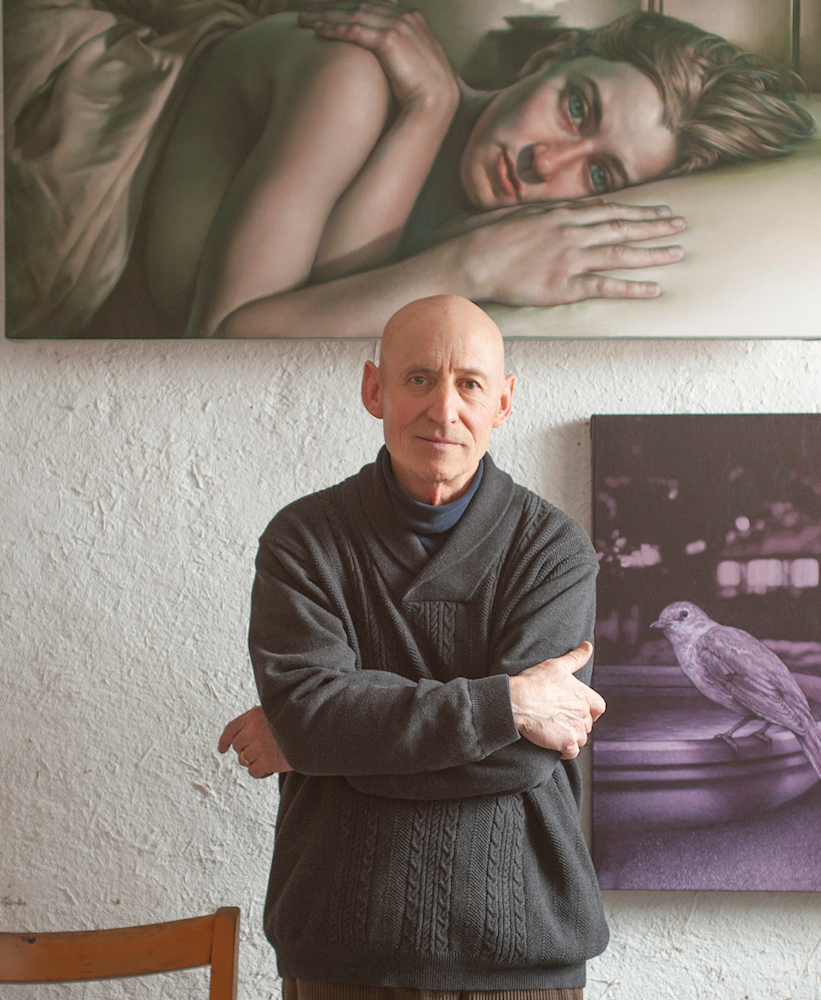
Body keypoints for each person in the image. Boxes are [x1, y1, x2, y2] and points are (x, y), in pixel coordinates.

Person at [219, 293, 610, 997]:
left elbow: (525, 758)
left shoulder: (553, 550)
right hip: (340, 950)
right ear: (375, 390)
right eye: (419, 379)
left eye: (470, 384)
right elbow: (310, 715)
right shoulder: (303, 541)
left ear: (503, 402)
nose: (444, 409)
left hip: (523, 952)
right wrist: (509, 705)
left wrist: (328, 741)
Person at [5, 2, 813, 338]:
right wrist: (463, 267)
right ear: (550, 57)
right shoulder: (354, 81)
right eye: (576, 108)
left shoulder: (457, 206)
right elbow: (229, 345)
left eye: (599, 177)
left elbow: (316, 299)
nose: (547, 162)